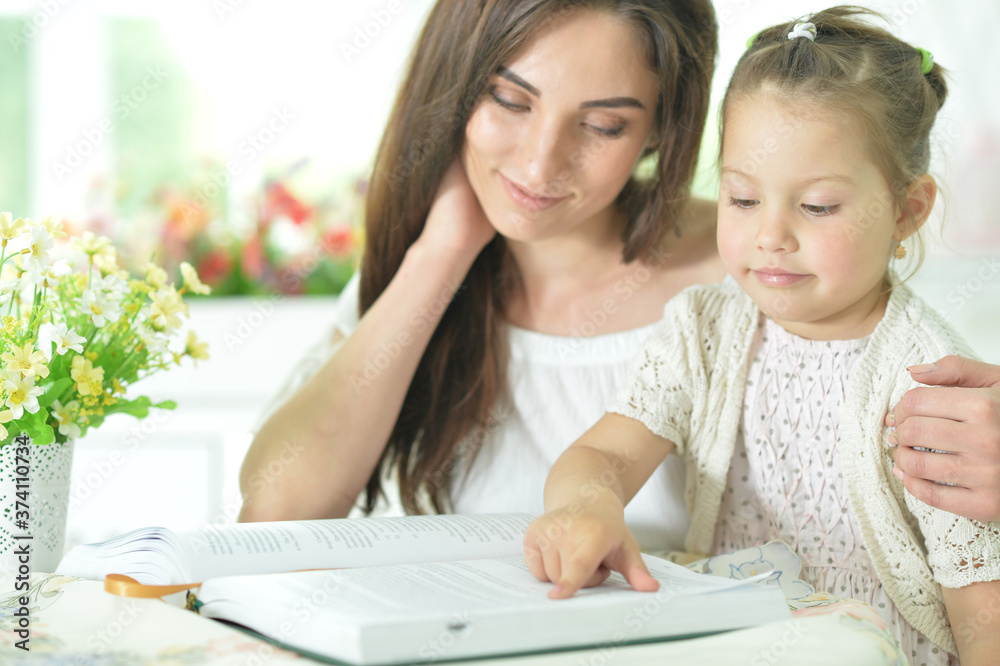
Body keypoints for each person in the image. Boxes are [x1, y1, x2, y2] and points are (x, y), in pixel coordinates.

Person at [238, 0, 1000, 545]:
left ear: (662, 129)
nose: (540, 164)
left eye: (603, 125)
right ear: (456, 85)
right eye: (509, 99)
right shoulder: (430, 273)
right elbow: (275, 514)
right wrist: (442, 252)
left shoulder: (766, 279)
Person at [523, 8, 1000, 665]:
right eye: (743, 199)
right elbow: (606, 452)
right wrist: (586, 505)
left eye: (817, 206)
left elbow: (981, 603)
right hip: (737, 643)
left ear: (906, 210)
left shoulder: (929, 381)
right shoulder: (702, 329)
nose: (770, 236)